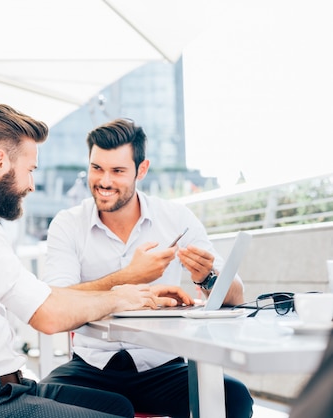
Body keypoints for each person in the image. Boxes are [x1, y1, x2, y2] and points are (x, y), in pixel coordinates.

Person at [0, 104, 193, 418]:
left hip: (3, 390)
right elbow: (48, 316)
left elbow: (44, 294)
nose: (31, 184)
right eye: (30, 169)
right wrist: (118, 297)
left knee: (117, 405)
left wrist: (135, 293)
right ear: (0, 161)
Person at [40, 118, 254, 418]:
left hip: (162, 368)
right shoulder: (68, 224)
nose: (103, 181)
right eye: (96, 168)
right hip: (92, 366)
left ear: (142, 169)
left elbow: (236, 294)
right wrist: (131, 276)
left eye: (117, 171)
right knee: (45, 399)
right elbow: (56, 299)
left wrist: (207, 277)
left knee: (233, 396)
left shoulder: (176, 218)